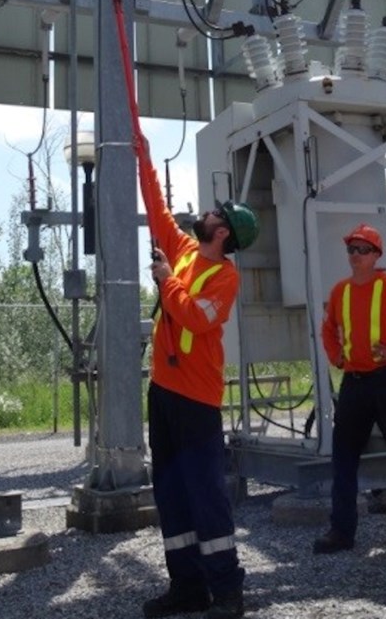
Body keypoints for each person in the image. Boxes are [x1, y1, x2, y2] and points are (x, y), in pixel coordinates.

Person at [134, 136, 260, 619]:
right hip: (164, 391)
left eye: (215, 213)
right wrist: (144, 158)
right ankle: (187, 586)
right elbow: (158, 209)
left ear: (223, 233)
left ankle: (227, 591)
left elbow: (194, 318)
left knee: (206, 494)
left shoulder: (225, 279)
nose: (206, 212)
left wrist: (166, 278)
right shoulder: (186, 250)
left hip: (195, 398)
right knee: (170, 492)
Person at [312, 223, 386, 562]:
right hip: (354, 384)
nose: (355, 255)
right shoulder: (340, 291)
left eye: (363, 249)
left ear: (377, 255)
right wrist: (335, 354)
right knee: (343, 459)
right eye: (352, 249)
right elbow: (328, 328)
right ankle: (342, 531)